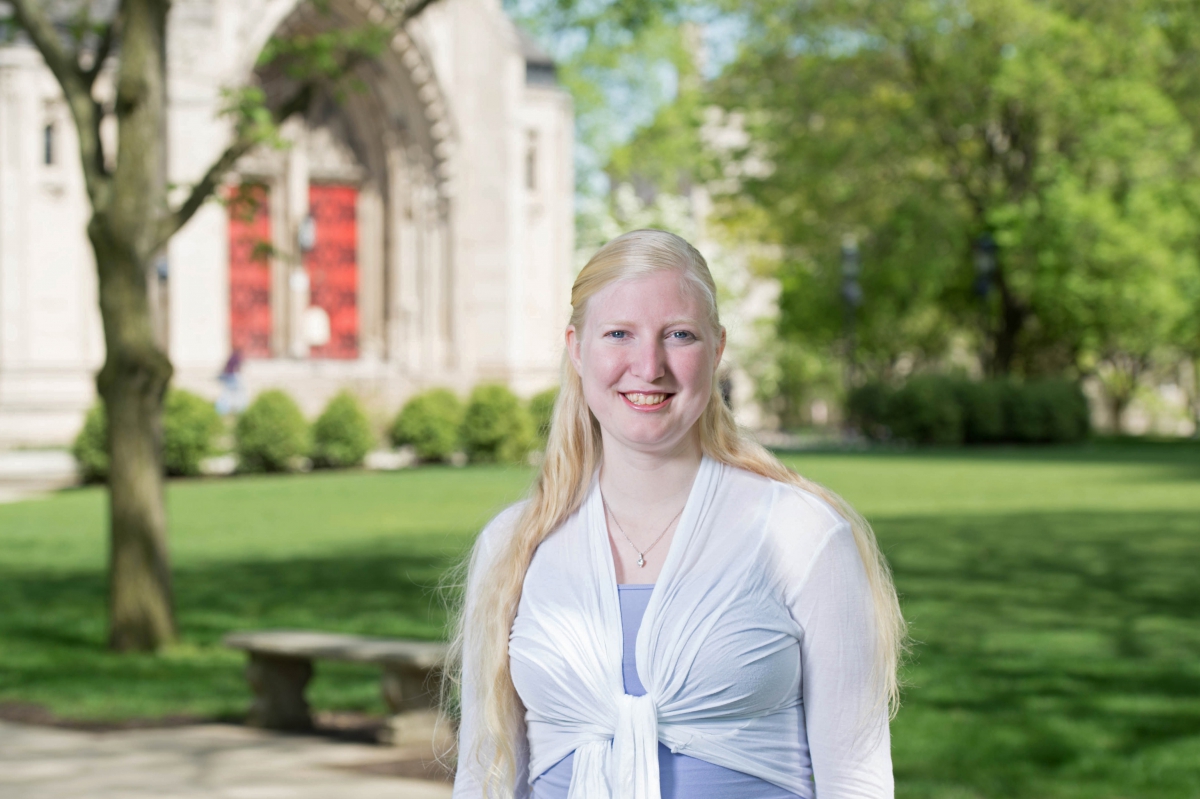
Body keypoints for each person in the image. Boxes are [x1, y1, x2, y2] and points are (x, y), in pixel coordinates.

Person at [450, 230, 906, 799]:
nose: (649, 365)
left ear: (716, 350)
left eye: (679, 335)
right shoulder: (514, 543)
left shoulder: (800, 533)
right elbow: (483, 776)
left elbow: (857, 781)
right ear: (576, 348)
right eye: (619, 334)